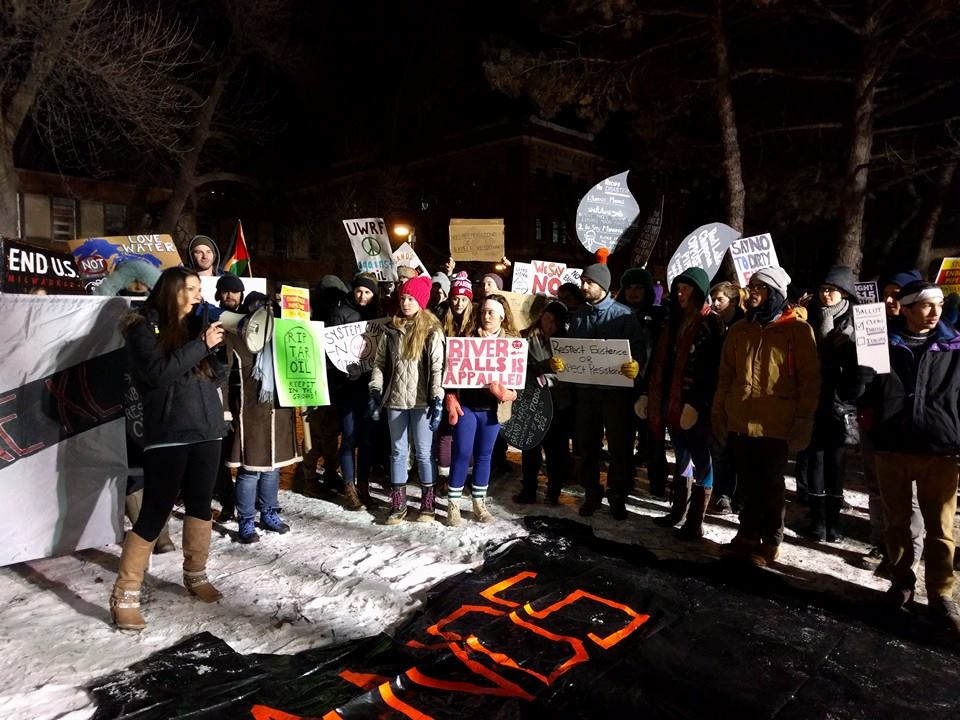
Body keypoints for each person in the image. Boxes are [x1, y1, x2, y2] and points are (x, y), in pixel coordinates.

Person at [111, 267, 227, 630]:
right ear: (172, 290)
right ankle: (125, 594)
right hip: (169, 433)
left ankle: (195, 574)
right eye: (191, 289)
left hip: (207, 429)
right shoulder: (141, 327)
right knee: (154, 512)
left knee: (200, 505)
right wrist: (202, 345)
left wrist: (219, 353)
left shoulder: (197, 328)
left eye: (198, 289)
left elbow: (214, 376)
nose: (197, 295)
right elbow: (157, 373)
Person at [863, 280, 960, 633]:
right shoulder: (880, 342)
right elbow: (860, 394)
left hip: (940, 450)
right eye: (924, 305)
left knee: (940, 529)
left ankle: (940, 594)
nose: (934, 311)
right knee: (898, 524)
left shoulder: (954, 345)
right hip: (893, 448)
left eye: (937, 304)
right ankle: (901, 583)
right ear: (904, 308)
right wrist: (860, 378)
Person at [711, 266, 820, 567]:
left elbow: (809, 380)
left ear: (775, 294)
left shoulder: (798, 331)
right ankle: (746, 534)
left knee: (770, 485)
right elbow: (726, 377)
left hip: (776, 423)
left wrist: (804, 420)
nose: (753, 292)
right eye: (752, 286)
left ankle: (770, 540)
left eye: (761, 287)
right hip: (741, 419)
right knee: (746, 483)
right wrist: (719, 413)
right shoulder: (739, 330)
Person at [550, 250, 648, 519]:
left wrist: (636, 366)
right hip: (586, 394)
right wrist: (562, 364)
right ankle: (592, 492)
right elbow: (572, 351)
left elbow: (639, 350)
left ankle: (617, 495)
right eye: (582, 281)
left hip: (616, 395)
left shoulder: (624, 316)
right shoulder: (579, 315)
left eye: (589, 282)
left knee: (619, 447)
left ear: (602, 286)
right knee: (587, 445)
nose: (583, 286)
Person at [641, 267, 724, 539]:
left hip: (695, 407)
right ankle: (678, 511)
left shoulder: (711, 323)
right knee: (681, 457)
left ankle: (695, 521)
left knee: (702, 459)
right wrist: (647, 393)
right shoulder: (670, 322)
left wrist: (698, 404)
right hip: (670, 402)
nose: (680, 293)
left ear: (699, 292)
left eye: (686, 288)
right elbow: (657, 363)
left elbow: (713, 370)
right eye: (678, 288)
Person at [859, 269, 925, 570]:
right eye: (885, 294)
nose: (888, 300)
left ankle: (907, 560)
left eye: (896, 295)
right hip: (877, 423)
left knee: (908, 497)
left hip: (910, 428)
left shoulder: (922, 338)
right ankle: (881, 543)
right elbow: (868, 383)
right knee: (877, 488)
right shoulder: (874, 329)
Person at [224, 293, 300, 543]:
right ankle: (246, 519)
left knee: (273, 467)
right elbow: (224, 378)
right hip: (251, 414)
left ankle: (269, 512)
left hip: (278, 410)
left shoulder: (282, 338)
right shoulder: (237, 337)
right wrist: (226, 410)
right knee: (250, 470)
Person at [369, 275, 445, 524]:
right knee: (398, 451)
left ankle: (428, 501)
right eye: (403, 298)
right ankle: (398, 502)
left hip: (421, 401)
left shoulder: (432, 331)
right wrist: (375, 389)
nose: (406, 303)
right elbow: (380, 363)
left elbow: (437, 367)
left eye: (411, 298)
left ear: (421, 301)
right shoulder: (391, 330)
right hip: (396, 400)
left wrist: (437, 397)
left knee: (424, 452)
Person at [445, 294, 519, 525]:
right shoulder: (467, 338)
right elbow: (451, 370)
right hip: (467, 406)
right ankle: (453, 505)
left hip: (492, 410)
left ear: (502, 316)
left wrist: (507, 393)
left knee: (485, 455)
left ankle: (479, 503)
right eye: (484, 312)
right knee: (462, 452)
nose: (486, 316)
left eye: (491, 312)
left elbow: (517, 381)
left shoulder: (512, 343)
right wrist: (450, 396)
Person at [800, 266, 860, 542]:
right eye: (823, 289)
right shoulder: (809, 315)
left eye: (832, 290)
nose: (826, 294)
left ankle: (834, 524)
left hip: (841, 403)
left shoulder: (855, 320)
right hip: (814, 397)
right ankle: (817, 520)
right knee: (815, 460)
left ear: (844, 293)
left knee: (836, 462)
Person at [327, 273, 383, 510]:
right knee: (349, 436)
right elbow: (331, 349)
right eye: (359, 290)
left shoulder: (378, 314)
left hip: (370, 387)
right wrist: (345, 372)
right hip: (347, 387)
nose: (363, 296)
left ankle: (364, 486)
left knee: (368, 440)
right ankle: (349, 486)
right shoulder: (339, 312)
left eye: (368, 292)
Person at [514, 301, 572, 504]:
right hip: (532, 402)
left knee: (556, 451)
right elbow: (516, 365)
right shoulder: (525, 338)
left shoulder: (568, 343)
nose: (550, 324)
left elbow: (573, 374)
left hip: (559, 405)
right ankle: (528, 488)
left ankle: (554, 490)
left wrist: (551, 377)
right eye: (547, 319)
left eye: (555, 321)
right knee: (530, 447)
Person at [299, 275, 348, 497]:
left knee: (331, 433)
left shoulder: (340, 318)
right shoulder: (309, 319)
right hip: (315, 382)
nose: (333, 301)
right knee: (314, 433)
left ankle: (330, 472)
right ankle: (309, 478)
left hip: (336, 384)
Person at [707, 281, 747, 515]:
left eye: (719, 299)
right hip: (718, 393)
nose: (715, 304)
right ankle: (723, 495)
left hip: (739, 396)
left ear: (732, 301)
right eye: (713, 299)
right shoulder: (714, 324)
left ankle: (740, 495)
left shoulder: (743, 326)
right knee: (720, 449)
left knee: (738, 450)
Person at [436, 272, 477, 481]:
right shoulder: (442, 320)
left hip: (469, 384)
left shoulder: (476, 323)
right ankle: (443, 476)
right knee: (446, 429)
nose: (459, 303)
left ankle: (465, 476)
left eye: (463, 299)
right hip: (446, 382)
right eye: (455, 298)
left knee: (464, 431)